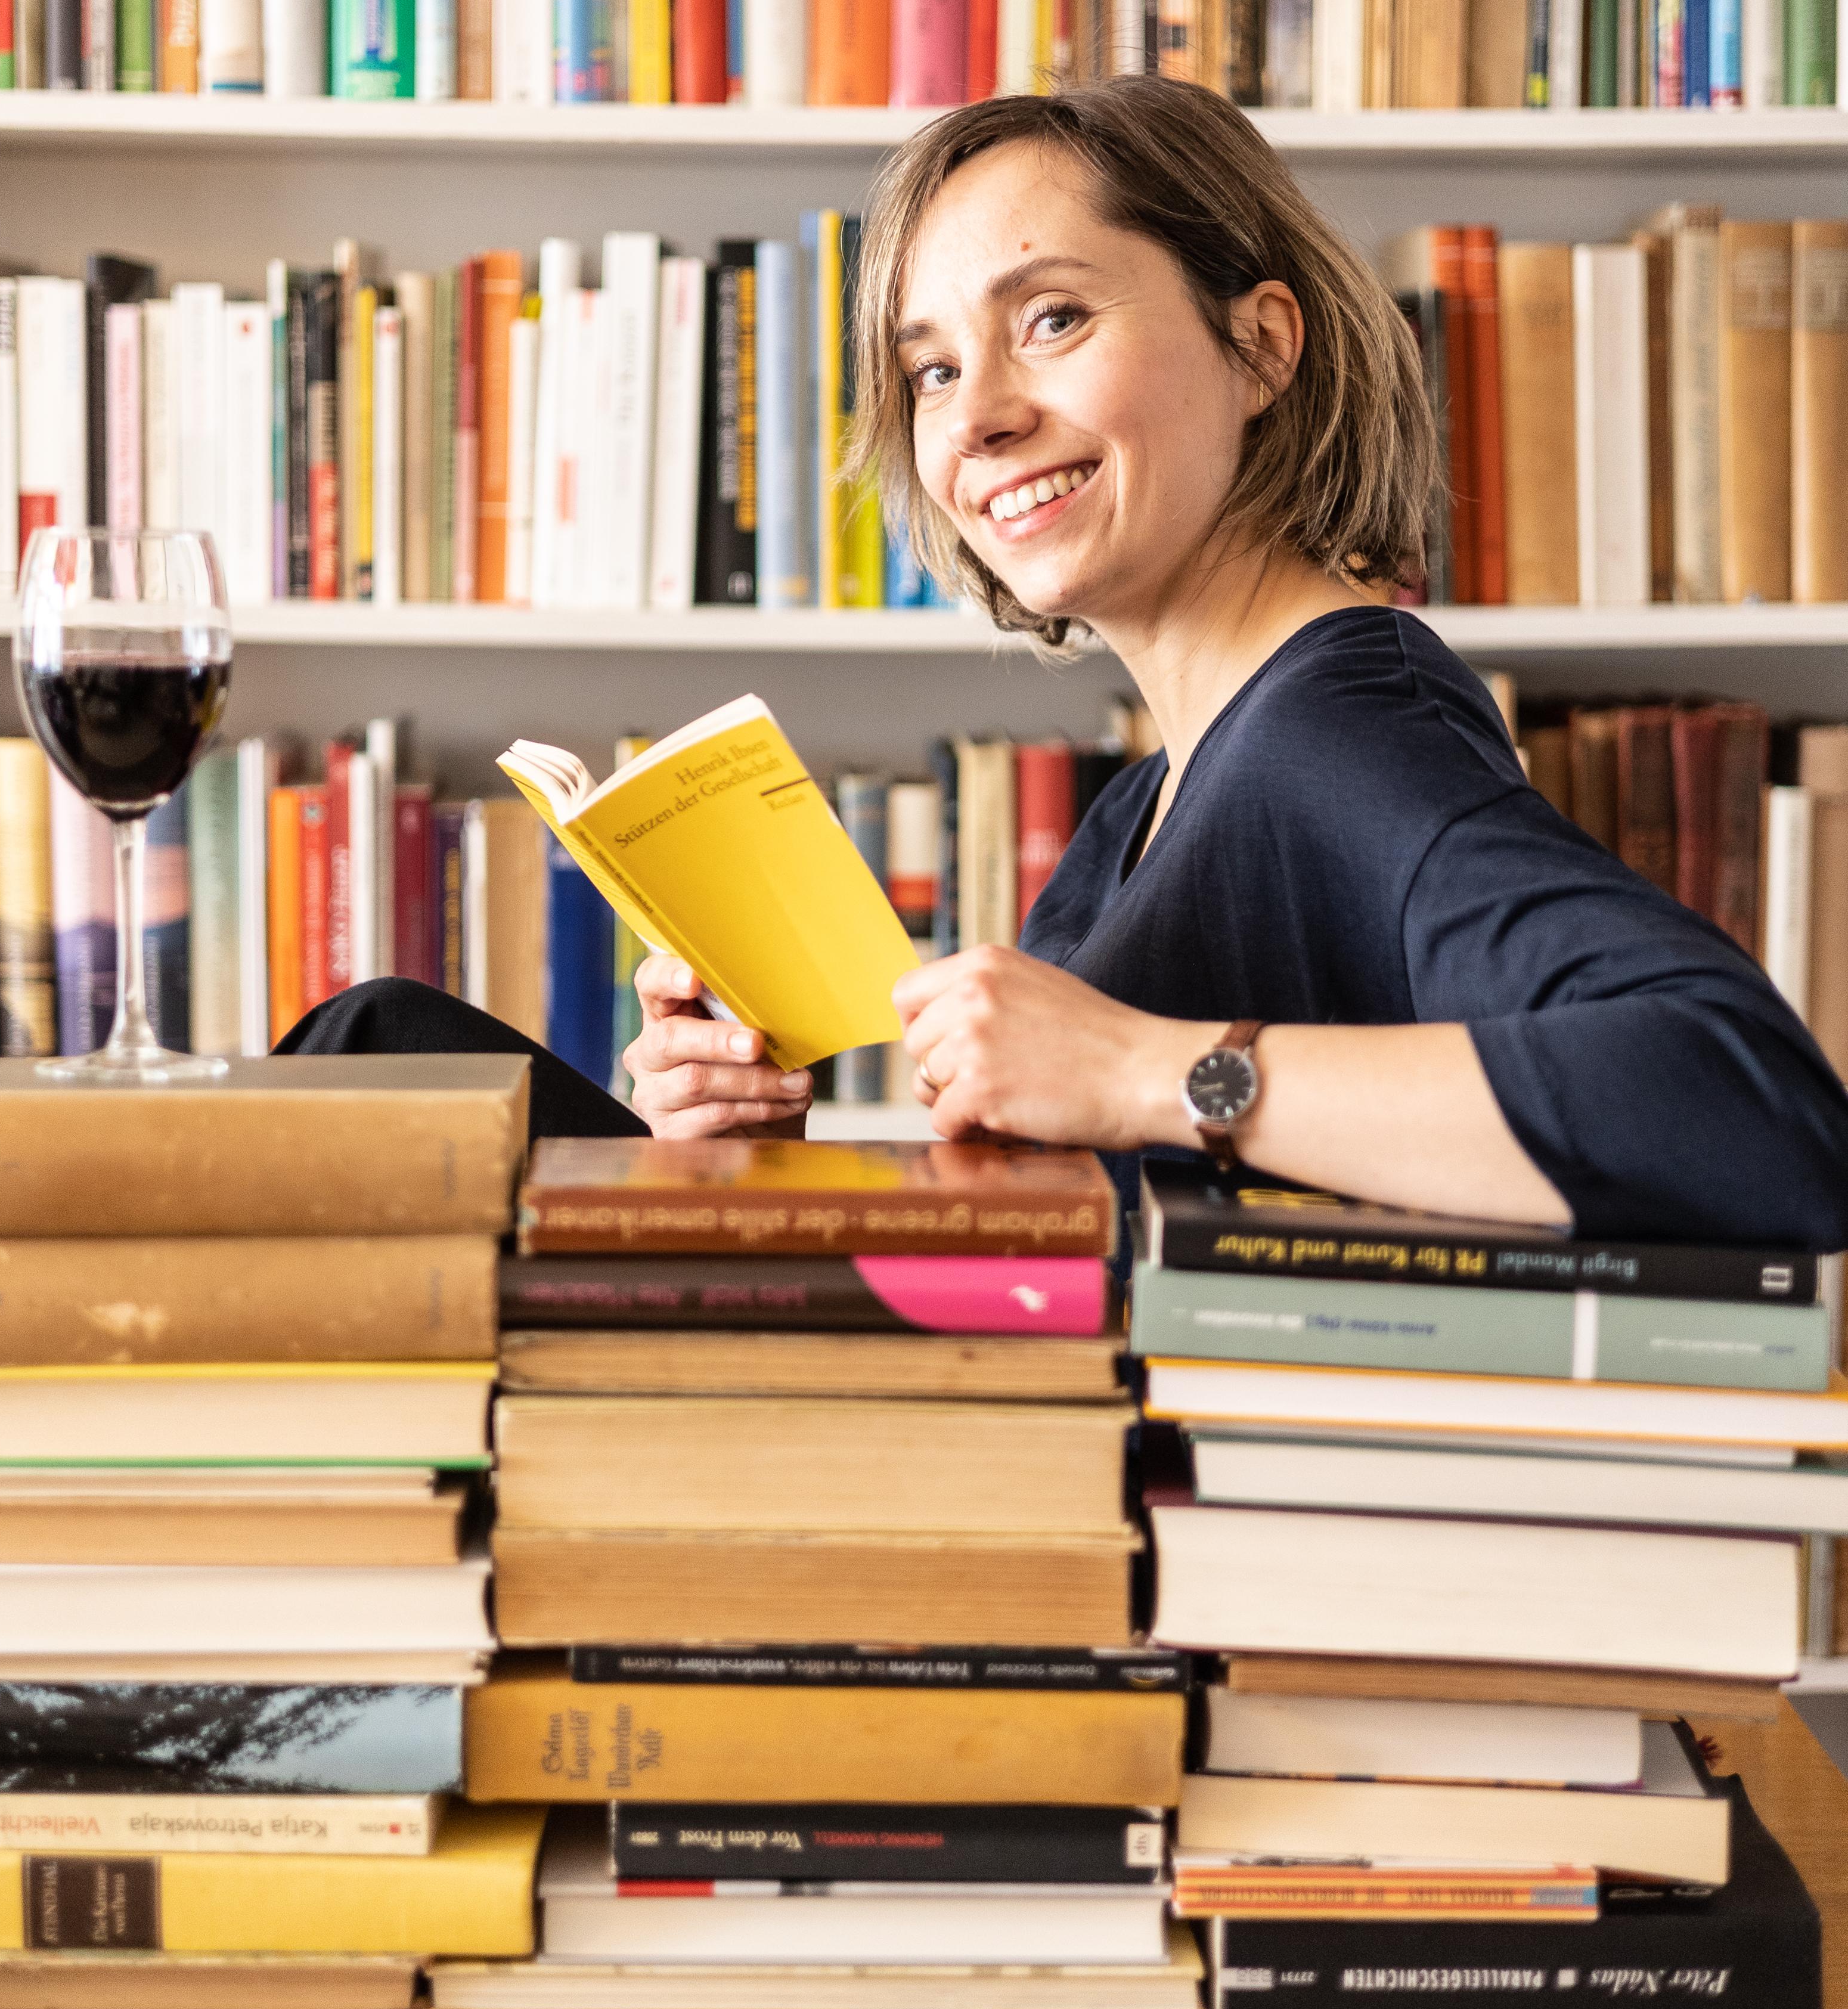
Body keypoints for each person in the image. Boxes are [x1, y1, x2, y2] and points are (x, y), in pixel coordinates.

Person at [286, 78, 1848, 1247]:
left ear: (1260, 344)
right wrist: (733, 1141)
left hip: (1099, 1541)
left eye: (1048, 318)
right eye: (934, 368)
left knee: (376, 1063)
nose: (971, 419)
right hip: (1007, 1451)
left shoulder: (1339, 724)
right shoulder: (1148, 801)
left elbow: (1752, 1119)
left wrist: (1155, 1071)